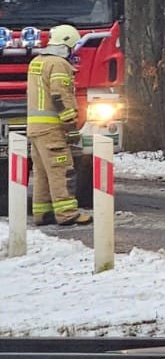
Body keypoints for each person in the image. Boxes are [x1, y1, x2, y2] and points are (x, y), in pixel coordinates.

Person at [26, 24, 90, 226]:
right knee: (61, 169)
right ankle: (67, 213)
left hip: (36, 129)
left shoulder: (37, 61)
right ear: (67, 44)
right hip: (52, 128)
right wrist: (71, 125)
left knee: (42, 172)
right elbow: (60, 96)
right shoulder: (59, 65)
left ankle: (43, 213)